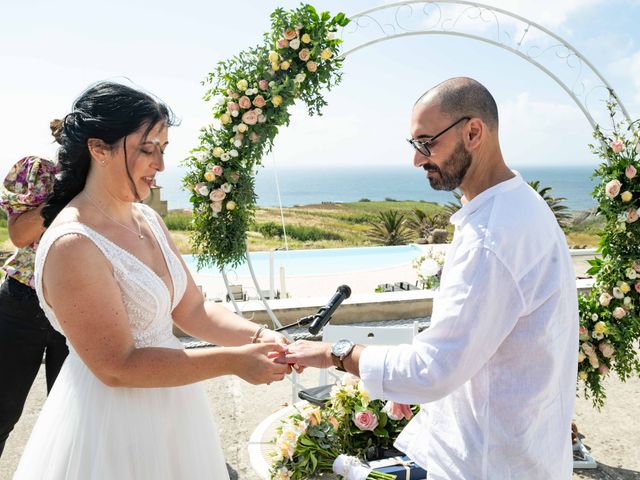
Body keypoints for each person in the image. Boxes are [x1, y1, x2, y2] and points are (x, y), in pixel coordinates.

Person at [284, 77, 579, 479]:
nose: (418, 160)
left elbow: (431, 371)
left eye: (427, 143)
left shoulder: (490, 238)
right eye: (415, 145)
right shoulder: (522, 204)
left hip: (488, 462)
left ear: (473, 132)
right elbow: (478, 340)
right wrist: (408, 386)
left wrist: (332, 353)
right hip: (521, 447)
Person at [13, 81, 291, 479]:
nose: (160, 165)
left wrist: (258, 338)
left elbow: (192, 308)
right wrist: (233, 362)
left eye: (163, 149)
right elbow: (116, 366)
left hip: (176, 411)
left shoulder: (148, 219)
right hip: (112, 424)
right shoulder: (73, 244)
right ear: (98, 149)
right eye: (147, 149)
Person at [0, 152, 69, 458]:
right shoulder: (41, 173)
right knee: (2, 413)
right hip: (21, 304)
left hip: (75, 310)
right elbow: (18, 236)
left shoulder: (113, 182)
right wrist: (61, 195)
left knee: (72, 420)